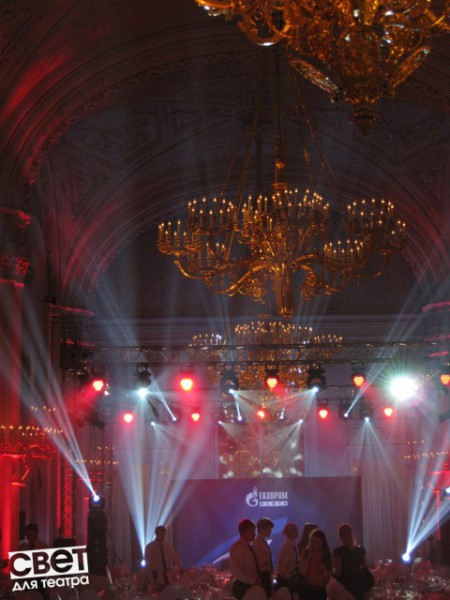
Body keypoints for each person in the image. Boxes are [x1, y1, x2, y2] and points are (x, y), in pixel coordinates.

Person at [230, 518, 264, 600]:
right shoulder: (237, 547)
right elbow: (236, 571)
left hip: (250, 585)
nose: (254, 534)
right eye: (251, 532)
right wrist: (252, 581)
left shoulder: (248, 546)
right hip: (243, 586)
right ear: (242, 533)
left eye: (254, 532)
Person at [333, 523, 368, 600]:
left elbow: (337, 572)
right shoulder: (360, 549)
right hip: (358, 584)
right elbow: (365, 567)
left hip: (344, 585)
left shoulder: (338, 551)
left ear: (340, 536)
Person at [296, 528, 332, 600]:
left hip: (320, 590)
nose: (315, 544)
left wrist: (323, 572)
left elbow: (329, 574)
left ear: (322, 542)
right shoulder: (305, 552)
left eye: (318, 542)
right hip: (306, 589)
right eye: (313, 541)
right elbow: (302, 572)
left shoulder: (326, 554)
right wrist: (308, 557)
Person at [144, 525, 182, 590]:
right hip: (156, 575)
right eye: (161, 534)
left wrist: (178, 568)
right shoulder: (150, 547)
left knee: (168, 592)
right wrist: (151, 579)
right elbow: (147, 565)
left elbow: (175, 557)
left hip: (167, 575)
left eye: (164, 534)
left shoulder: (166, 546)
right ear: (156, 534)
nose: (163, 536)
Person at [252, 517, 274, 598]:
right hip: (262, 575)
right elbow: (254, 562)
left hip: (266, 574)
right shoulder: (257, 543)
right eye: (269, 529)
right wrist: (267, 561)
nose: (270, 531)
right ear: (262, 529)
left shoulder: (262, 541)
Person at [275, 522, 299, 591]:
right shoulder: (288, 546)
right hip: (286, 580)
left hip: (290, 578)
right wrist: (288, 577)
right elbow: (282, 565)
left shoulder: (292, 545)